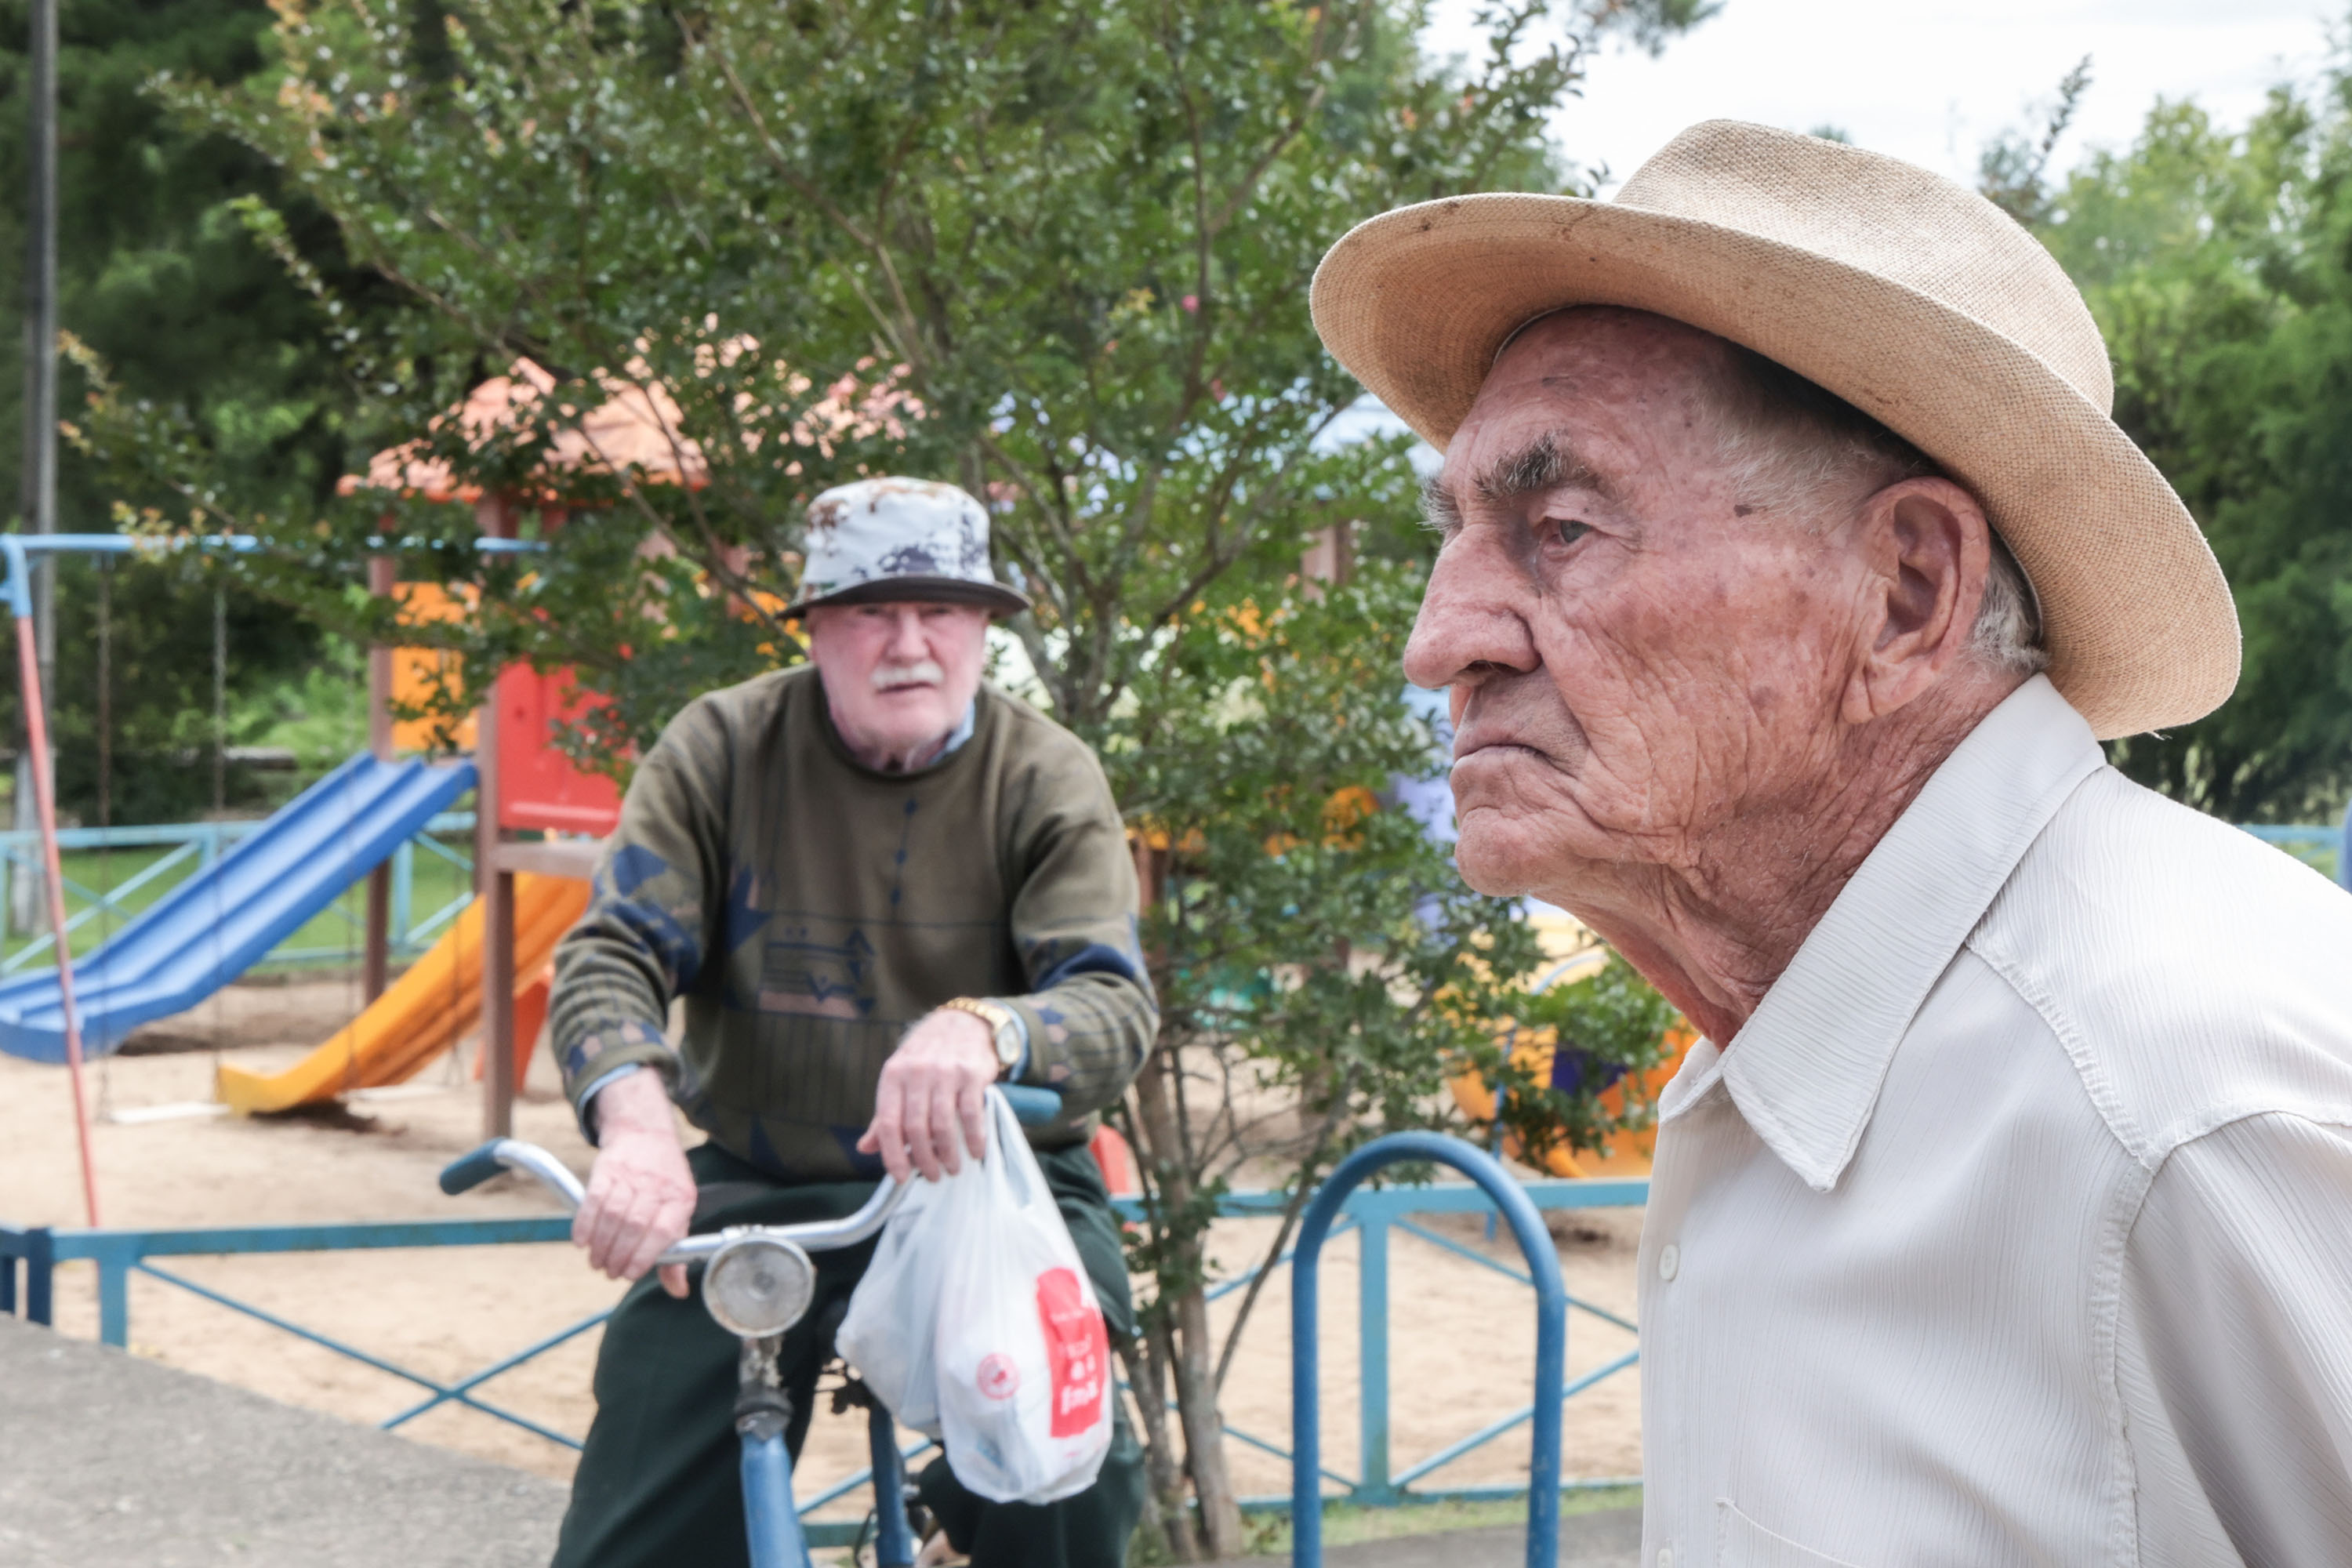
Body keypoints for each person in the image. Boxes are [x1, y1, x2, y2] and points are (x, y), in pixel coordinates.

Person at [1313, 121, 2352, 1564]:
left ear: (1907, 594)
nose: (1440, 642)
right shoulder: (1787, 1038)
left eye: (1559, 527)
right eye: (1458, 534)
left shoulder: (2193, 1112)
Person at [546, 476, 1153, 1568]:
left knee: (1070, 1470)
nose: (909, 644)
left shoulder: (1046, 775)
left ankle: (969, 1508)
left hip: (994, 1180)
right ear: (816, 628)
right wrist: (634, 1126)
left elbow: (1111, 1002)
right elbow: (611, 952)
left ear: (983, 628)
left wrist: (983, 1031)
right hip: (767, 1179)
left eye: (942, 611)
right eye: (873, 611)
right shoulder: (722, 747)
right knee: (644, 1481)